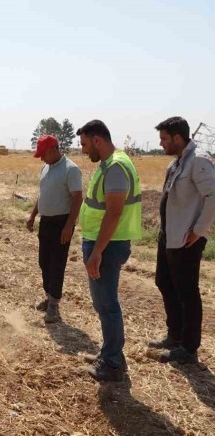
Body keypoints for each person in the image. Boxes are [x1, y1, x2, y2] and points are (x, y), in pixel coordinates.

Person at [77, 120, 142, 382]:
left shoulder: (115, 166)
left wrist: (97, 252)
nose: (83, 150)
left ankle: (113, 363)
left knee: (107, 304)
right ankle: (111, 352)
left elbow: (114, 212)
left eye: (84, 144)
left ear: (97, 140)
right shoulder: (113, 162)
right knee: (103, 302)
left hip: (107, 245)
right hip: (103, 242)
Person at [149, 116, 215, 364]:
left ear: (178, 138)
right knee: (164, 282)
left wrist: (198, 230)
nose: (161, 143)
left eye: (164, 138)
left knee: (187, 291)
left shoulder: (198, 161)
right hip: (169, 236)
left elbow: (213, 195)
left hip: (187, 239)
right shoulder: (177, 163)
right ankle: (174, 335)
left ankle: (188, 347)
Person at [27, 135, 83, 323]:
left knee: (57, 264)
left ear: (53, 150)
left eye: (43, 154)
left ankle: (54, 306)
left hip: (61, 223)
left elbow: (77, 198)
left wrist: (69, 226)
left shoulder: (71, 169)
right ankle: (48, 296)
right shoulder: (46, 168)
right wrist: (33, 215)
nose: (41, 158)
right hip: (46, 222)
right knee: (44, 262)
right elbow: (42, 195)